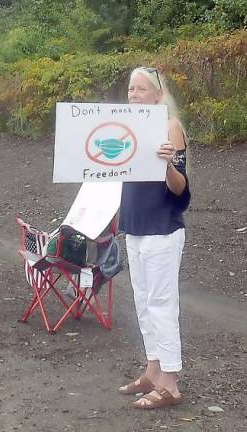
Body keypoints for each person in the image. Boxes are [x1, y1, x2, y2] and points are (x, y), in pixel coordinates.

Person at [117, 67, 191, 409]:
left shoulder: (169, 128)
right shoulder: (125, 129)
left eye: (141, 88)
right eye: (131, 88)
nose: (133, 94)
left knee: (162, 305)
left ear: (157, 95)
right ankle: (152, 369)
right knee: (143, 302)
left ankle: (170, 382)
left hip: (162, 228)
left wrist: (166, 165)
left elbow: (181, 191)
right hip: (136, 226)